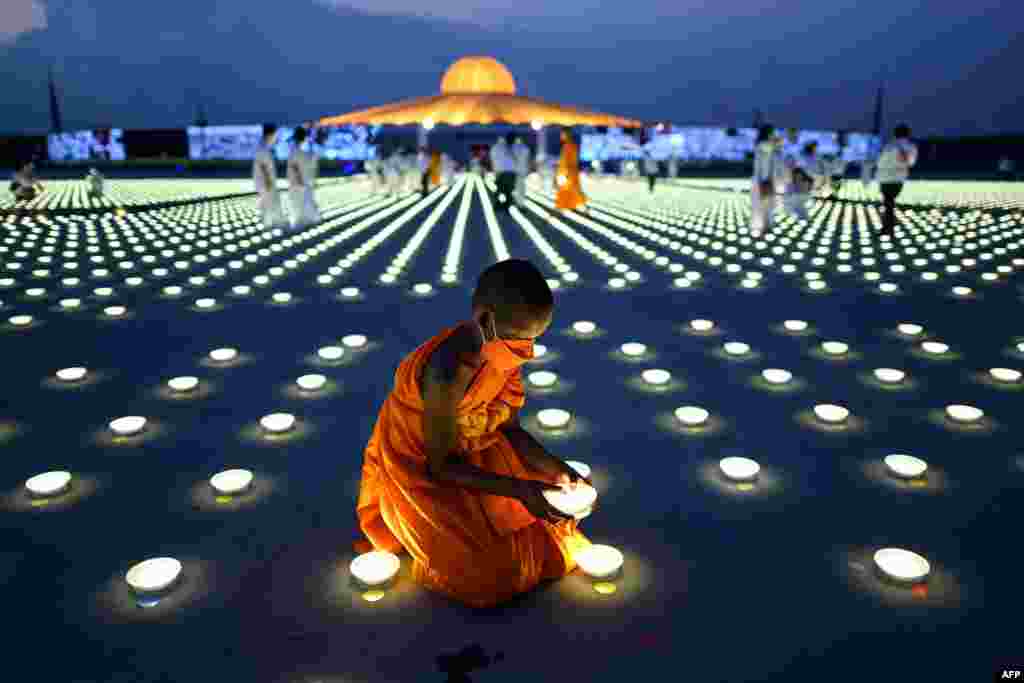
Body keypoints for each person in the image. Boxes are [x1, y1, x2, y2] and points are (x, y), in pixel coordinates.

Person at [353, 258, 594, 608]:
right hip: (420, 462)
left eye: (533, 341)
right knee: (484, 576)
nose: (525, 352)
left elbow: (509, 428)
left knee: (547, 542)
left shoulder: (501, 354)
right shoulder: (447, 371)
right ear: (484, 319)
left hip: (478, 447)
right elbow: (440, 466)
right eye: (517, 340)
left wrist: (557, 469)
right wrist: (521, 489)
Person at [875, 123, 918, 235]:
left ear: (895, 134)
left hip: (886, 178)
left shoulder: (890, 146)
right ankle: (889, 225)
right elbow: (911, 163)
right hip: (900, 178)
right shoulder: (911, 147)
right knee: (890, 203)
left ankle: (888, 228)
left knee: (888, 203)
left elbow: (881, 162)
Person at [286, 127, 320, 229]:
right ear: (304, 138)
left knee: (298, 208)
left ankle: (299, 224)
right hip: (302, 185)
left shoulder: (294, 152)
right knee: (303, 207)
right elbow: (300, 169)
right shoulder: (303, 154)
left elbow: (295, 169)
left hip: (298, 185)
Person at [751, 124, 782, 235]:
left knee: (768, 204)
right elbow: (766, 158)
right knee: (765, 204)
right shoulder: (763, 145)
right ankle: (764, 226)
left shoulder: (767, 145)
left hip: (767, 178)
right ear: (768, 133)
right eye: (772, 132)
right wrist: (777, 144)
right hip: (764, 179)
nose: (774, 134)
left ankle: (767, 225)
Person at [253, 124, 285, 228]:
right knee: (268, 214)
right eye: (275, 135)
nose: (276, 138)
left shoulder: (263, 148)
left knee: (268, 213)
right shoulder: (263, 150)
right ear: (270, 135)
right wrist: (269, 186)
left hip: (266, 187)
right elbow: (263, 168)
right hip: (267, 187)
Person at [783, 141, 818, 221]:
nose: (815, 150)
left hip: (801, 189)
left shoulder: (811, 159)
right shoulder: (802, 159)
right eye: (814, 148)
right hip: (796, 190)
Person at [554, 127, 586, 211]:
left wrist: (563, 173)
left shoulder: (567, 146)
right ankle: (566, 206)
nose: (561, 136)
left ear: (566, 134)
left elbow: (564, 161)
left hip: (567, 173)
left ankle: (563, 206)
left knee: (570, 190)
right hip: (570, 172)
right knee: (572, 190)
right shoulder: (572, 145)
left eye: (562, 134)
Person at [491, 134, 517, 211]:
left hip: (501, 172)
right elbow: (515, 159)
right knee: (508, 191)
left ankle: (498, 204)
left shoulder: (495, 148)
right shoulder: (509, 148)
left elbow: (493, 160)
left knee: (500, 190)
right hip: (510, 172)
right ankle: (506, 205)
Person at [512, 137, 531, 207]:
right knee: (522, 187)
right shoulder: (525, 148)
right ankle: (521, 202)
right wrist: (528, 169)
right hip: (523, 170)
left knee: (515, 187)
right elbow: (528, 159)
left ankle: (516, 201)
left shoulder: (512, 148)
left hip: (514, 170)